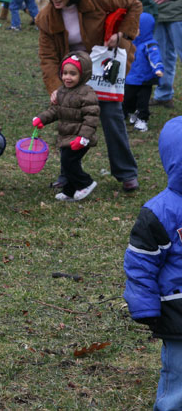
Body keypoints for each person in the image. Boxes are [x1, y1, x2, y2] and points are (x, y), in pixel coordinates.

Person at [36, 0, 141, 193]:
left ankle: (126, 173)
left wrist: (121, 34)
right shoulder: (46, 17)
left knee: (112, 116)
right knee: (69, 120)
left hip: (104, 66)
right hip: (73, 72)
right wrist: (55, 87)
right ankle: (68, 175)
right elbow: (48, 57)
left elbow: (134, 5)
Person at [123, 116, 182, 411]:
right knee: (179, 374)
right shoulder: (160, 212)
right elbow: (141, 263)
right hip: (177, 311)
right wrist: (145, 307)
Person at [32, 52, 100, 202]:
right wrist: (42, 119)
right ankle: (69, 191)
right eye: (65, 73)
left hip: (80, 138)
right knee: (65, 163)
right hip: (66, 135)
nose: (68, 77)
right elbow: (56, 110)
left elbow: (91, 118)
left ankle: (86, 183)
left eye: (73, 74)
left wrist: (83, 137)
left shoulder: (87, 94)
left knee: (70, 162)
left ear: (83, 75)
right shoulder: (62, 91)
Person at [123, 13, 164, 132]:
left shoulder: (150, 45)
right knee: (127, 99)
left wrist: (158, 69)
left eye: (136, 28)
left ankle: (142, 119)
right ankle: (131, 112)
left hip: (145, 80)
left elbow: (155, 58)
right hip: (130, 78)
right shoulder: (129, 43)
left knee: (143, 101)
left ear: (145, 29)